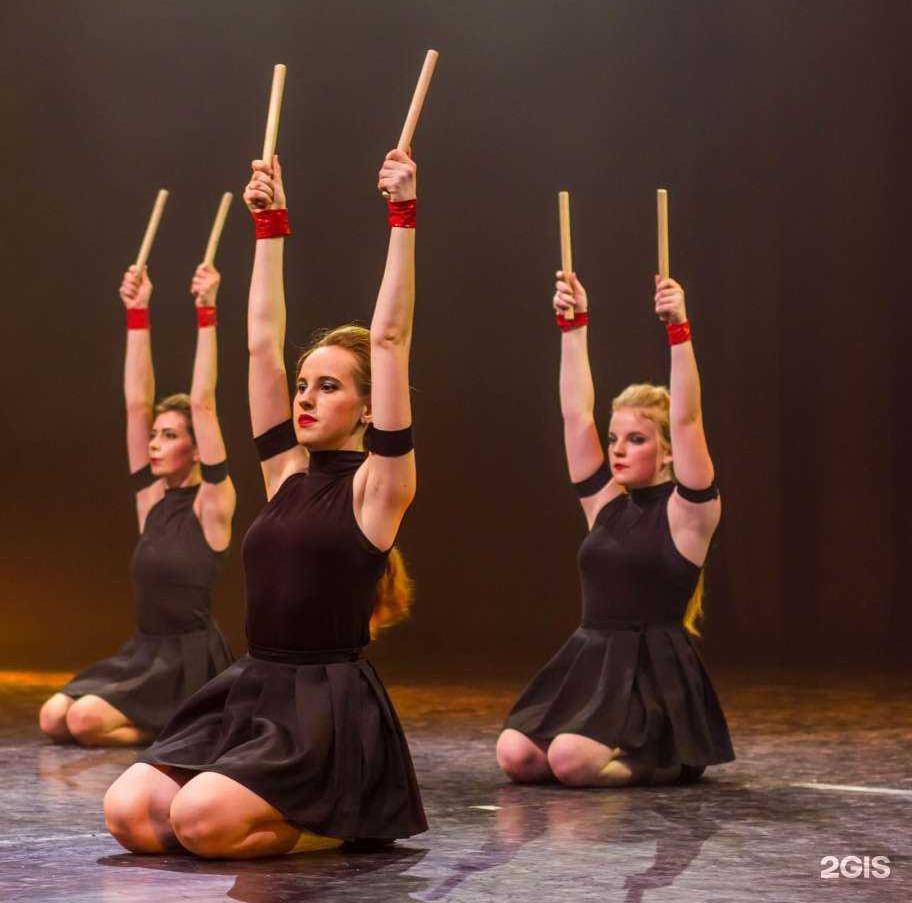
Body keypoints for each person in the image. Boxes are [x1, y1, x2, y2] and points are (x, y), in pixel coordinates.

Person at [102, 149, 426, 858]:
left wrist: (402, 216)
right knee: (129, 813)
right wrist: (269, 227)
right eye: (303, 384)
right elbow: (258, 346)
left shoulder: (379, 487)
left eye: (329, 387)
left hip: (323, 706)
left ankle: (345, 822)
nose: (306, 397)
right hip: (255, 686)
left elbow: (391, 339)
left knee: (197, 823)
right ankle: (254, 809)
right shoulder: (285, 473)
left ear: (369, 405)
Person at [495, 267, 734, 786]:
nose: (617, 450)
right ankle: (609, 751)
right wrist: (573, 326)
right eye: (615, 438)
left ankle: (665, 758)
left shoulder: (689, 513)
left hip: (651, 673)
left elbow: (689, 419)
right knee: (516, 755)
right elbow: (575, 417)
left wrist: (679, 329)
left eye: (637, 440)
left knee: (571, 763)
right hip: (593, 658)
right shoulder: (606, 505)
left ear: (669, 451)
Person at [38, 258, 237, 746]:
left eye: (169, 436)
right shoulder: (152, 499)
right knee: (52, 716)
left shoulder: (211, 503)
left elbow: (203, 402)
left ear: (195, 448)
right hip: (143, 652)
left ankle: (190, 727)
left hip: (188, 661)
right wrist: (138, 312)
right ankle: (180, 727)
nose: (153, 443)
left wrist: (206, 311)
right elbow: (134, 403)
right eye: (154, 435)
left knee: (85, 722)